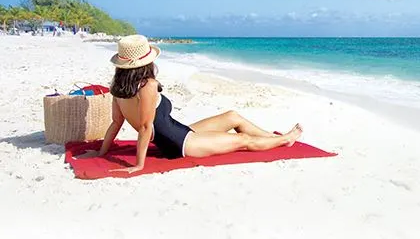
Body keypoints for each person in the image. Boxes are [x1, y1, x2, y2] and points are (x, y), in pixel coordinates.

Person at [77, 35, 303, 173]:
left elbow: (116, 123)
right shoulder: (148, 86)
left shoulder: (118, 88)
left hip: (181, 132)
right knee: (242, 140)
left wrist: (100, 152)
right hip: (182, 145)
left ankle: (273, 138)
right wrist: (139, 165)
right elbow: (146, 128)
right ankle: (285, 140)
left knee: (233, 116)